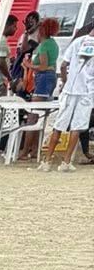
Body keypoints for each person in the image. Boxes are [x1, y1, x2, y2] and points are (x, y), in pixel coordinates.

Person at [47, 19, 94, 167]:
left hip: (70, 90)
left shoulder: (77, 42)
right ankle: (66, 162)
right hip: (87, 91)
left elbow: (63, 65)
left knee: (59, 125)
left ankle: (47, 160)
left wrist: (66, 81)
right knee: (76, 127)